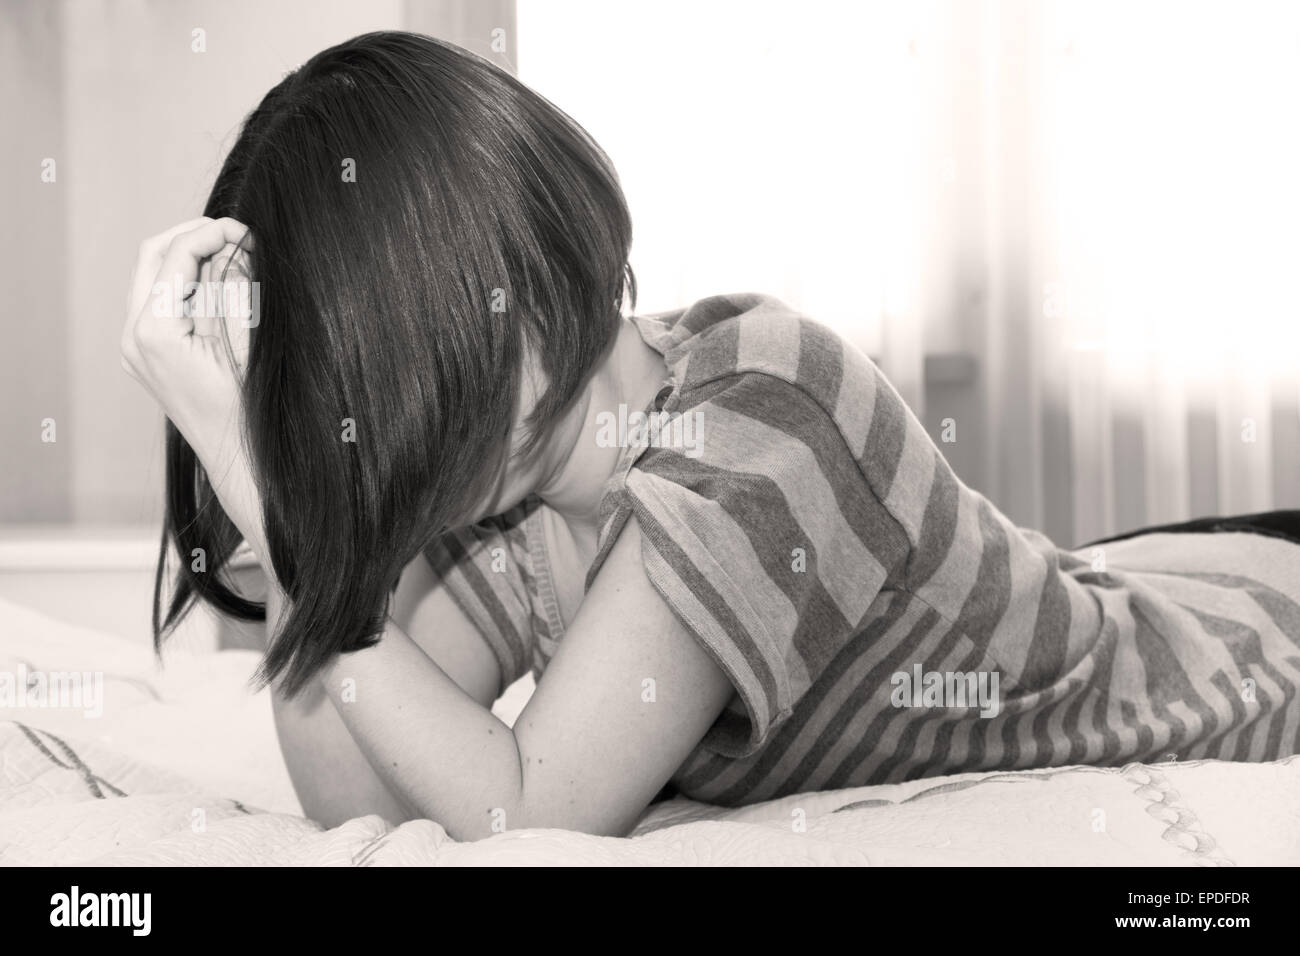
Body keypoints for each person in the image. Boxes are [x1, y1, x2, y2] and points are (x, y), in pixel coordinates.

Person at [121, 31, 1300, 838]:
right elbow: (362, 801)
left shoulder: (761, 414)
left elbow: (523, 815)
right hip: (1105, 566)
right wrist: (272, 476)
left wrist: (269, 493)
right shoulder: (504, 505)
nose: (511, 362)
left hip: (1238, 644)